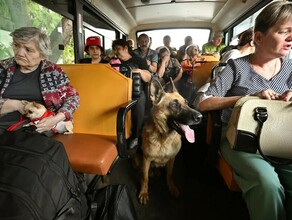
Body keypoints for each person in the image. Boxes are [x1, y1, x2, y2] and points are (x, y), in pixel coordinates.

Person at [199, 2, 292, 220]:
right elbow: (204, 103)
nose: (290, 38)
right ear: (258, 38)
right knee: (266, 183)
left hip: (282, 138)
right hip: (241, 138)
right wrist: (246, 98)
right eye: (283, 32)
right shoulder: (236, 67)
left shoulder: (290, 69)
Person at [0, 27, 79, 135]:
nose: (19, 53)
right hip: (5, 121)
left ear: (42, 54)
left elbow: (73, 98)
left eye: (28, 50)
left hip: (39, 125)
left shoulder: (53, 72)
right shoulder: (2, 68)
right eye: (16, 45)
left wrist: (54, 120)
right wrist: (16, 105)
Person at [112, 39, 152, 149]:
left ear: (125, 48)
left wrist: (139, 71)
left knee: (139, 103)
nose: (116, 52)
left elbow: (148, 77)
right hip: (117, 91)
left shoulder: (139, 61)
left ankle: (135, 136)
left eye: (118, 49)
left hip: (136, 92)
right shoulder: (113, 62)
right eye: (114, 49)